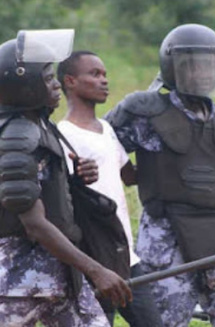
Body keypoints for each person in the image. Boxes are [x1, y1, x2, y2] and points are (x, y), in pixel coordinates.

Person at [104, 24, 215, 327]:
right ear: (173, 67)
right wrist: (131, 175)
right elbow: (95, 146)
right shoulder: (146, 113)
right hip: (166, 247)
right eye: (195, 66)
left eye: (211, 66)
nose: (205, 73)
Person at [0, 30, 132, 327]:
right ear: (25, 87)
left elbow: (45, 192)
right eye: (48, 79)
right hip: (22, 278)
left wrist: (74, 181)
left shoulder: (40, 126)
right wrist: (96, 270)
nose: (57, 84)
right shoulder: (14, 139)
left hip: (62, 272)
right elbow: (33, 224)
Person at [55, 50, 164, 327]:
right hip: (93, 257)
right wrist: (77, 178)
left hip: (125, 255)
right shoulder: (63, 135)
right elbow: (61, 196)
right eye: (94, 74)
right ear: (70, 81)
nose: (104, 80)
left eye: (104, 74)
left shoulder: (106, 129)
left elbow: (131, 176)